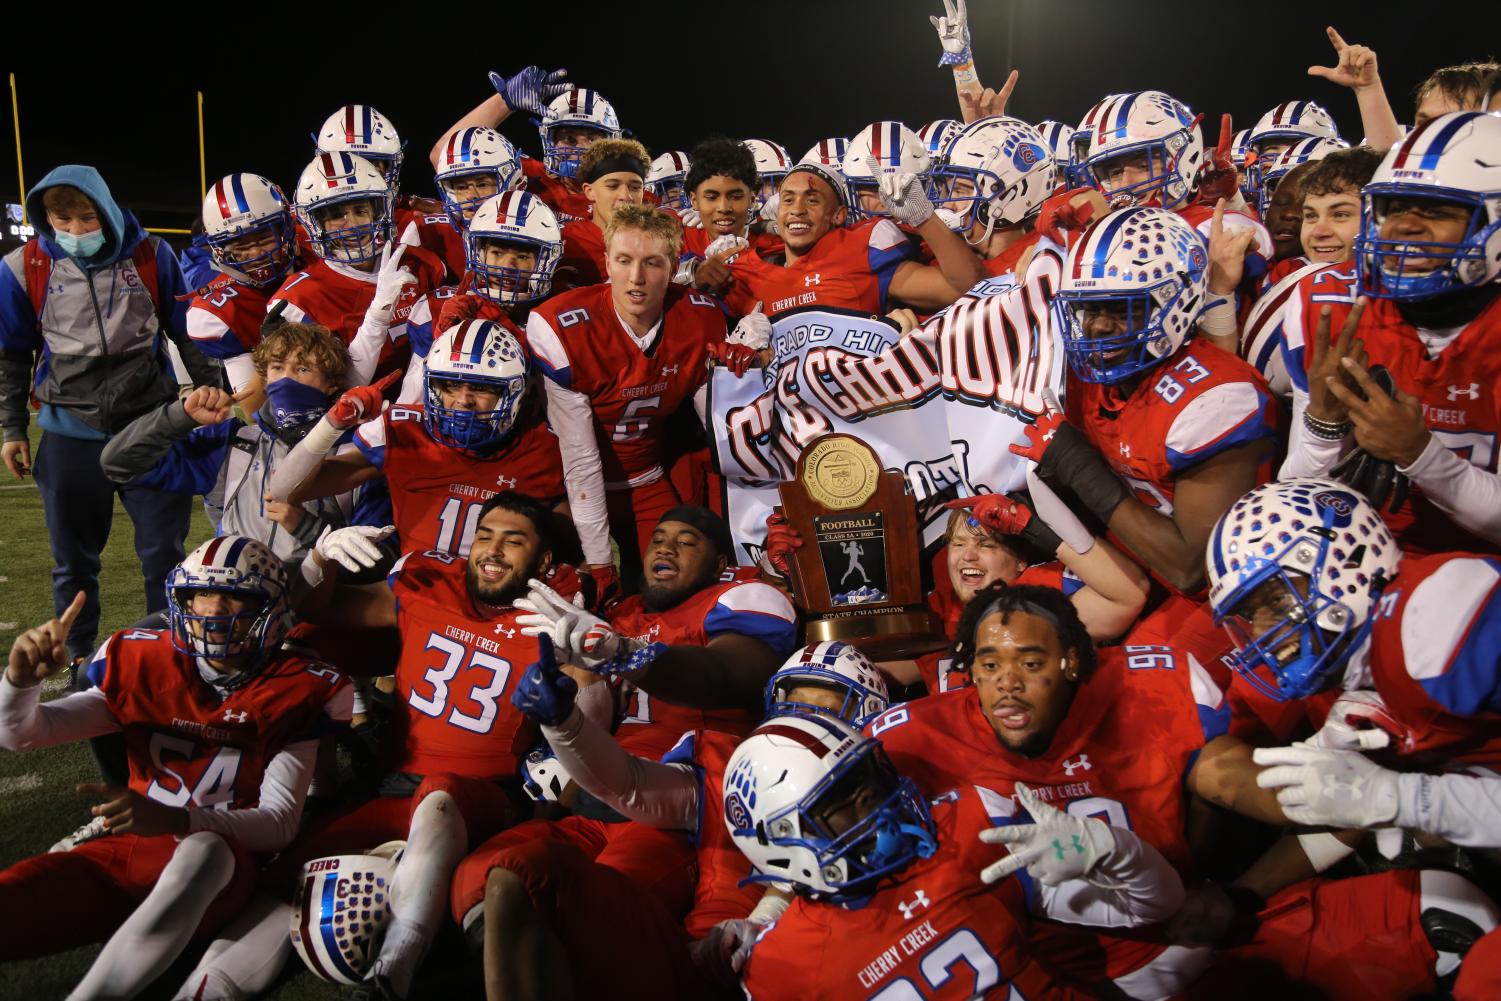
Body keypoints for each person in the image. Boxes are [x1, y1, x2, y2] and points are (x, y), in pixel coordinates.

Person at [0, 538, 352, 1000]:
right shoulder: (143, 659)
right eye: (199, 594)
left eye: (236, 595)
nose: (212, 609)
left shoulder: (298, 686)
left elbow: (280, 824)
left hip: (225, 868)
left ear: (272, 608)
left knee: (204, 848)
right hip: (133, 848)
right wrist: (19, 685)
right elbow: (22, 734)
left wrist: (176, 819)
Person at [455, 641, 887, 1000]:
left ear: (868, 716)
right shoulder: (728, 763)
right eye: (791, 701)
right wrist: (563, 723)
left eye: (823, 706)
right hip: (700, 964)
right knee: (515, 873)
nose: (799, 718)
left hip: (809, 969)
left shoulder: (883, 785)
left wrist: (766, 921)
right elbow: (631, 785)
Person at [271, 492, 574, 999]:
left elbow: (588, 706)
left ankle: (394, 970)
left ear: (543, 560)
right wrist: (319, 559)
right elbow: (317, 609)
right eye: (485, 536)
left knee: (441, 793)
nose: (493, 551)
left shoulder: (557, 616)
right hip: (395, 787)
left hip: (486, 795)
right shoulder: (429, 585)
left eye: (513, 541)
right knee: (281, 879)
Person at [732, 712, 1187, 1000]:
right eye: (839, 800)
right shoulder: (780, 969)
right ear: (779, 843)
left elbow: (1158, 905)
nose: (871, 797)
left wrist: (1107, 848)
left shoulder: (962, 832)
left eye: (866, 776)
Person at [0, 164, 215, 664]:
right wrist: (12, 428)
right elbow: (12, 354)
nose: (74, 229)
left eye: (86, 216)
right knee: (74, 562)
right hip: (70, 435)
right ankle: (76, 657)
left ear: (107, 209)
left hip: (152, 427)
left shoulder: (153, 254)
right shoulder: (21, 267)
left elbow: (189, 331)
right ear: (43, 215)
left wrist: (210, 394)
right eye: (61, 218)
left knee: (165, 555)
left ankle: (168, 652)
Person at [1010, 206, 1277, 594]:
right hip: (1133, 566)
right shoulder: (1092, 375)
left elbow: (1191, 568)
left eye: (1121, 308)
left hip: (1229, 593)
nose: (1098, 326)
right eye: (1088, 308)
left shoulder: (1215, 399)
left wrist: (1079, 468)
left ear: (1177, 301)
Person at [1278, 111, 1501, 556]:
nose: (1402, 227)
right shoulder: (1328, 302)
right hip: (1356, 548)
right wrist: (1322, 428)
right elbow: (1295, 493)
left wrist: (1420, 455)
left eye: (1437, 211)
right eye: (1392, 208)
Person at [527, 205, 729, 591]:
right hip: (565, 490)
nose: (636, 278)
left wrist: (745, 375)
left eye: (652, 263)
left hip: (646, 479)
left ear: (673, 265)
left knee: (685, 586)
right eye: (624, 260)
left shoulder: (700, 318)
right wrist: (601, 562)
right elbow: (580, 457)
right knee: (579, 592)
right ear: (606, 262)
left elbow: (721, 432)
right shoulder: (562, 323)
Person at [516, 505, 798, 761]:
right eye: (658, 540)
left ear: (719, 565)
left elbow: (726, 675)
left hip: (692, 776)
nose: (666, 549)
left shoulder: (737, 598)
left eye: (685, 542)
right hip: (608, 772)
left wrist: (626, 655)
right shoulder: (624, 613)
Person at [100, 322, 390, 569]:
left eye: (302, 369)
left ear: (331, 384)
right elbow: (118, 463)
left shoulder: (358, 453)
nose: (286, 378)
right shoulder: (234, 442)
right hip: (231, 600)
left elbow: (377, 562)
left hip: (315, 606)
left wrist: (312, 532)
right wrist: (181, 417)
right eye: (277, 367)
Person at [270, 319, 565, 559]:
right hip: (415, 595)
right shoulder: (407, 431)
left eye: (481, 388)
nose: (463, 401)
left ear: (517, 392)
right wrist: (332, 423)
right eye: (450, 385)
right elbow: (284, 491)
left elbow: (571, 551)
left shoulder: (544, 448)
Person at [273, 152, 448, 389]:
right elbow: (340, 389)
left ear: (378, 211)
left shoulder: (424, 263)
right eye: (336, 215)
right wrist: (379, 313)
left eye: (360, 210)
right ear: (315, 223)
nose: (353, 224)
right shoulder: (298, 299)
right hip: (354, 420)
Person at [187, 173, 302, 400]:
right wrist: (273, 351)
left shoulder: (316, 253)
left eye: (264, 238)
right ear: (220, 250)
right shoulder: (220, 311)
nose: (256, 253)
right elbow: (251, 409)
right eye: (241, 245)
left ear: (285, 230)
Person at [556, 139, 649, 288]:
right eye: (613, 186)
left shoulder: (656, 238)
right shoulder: (566, 242)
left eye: (635, 187)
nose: (625, 196)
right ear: (590, 191)